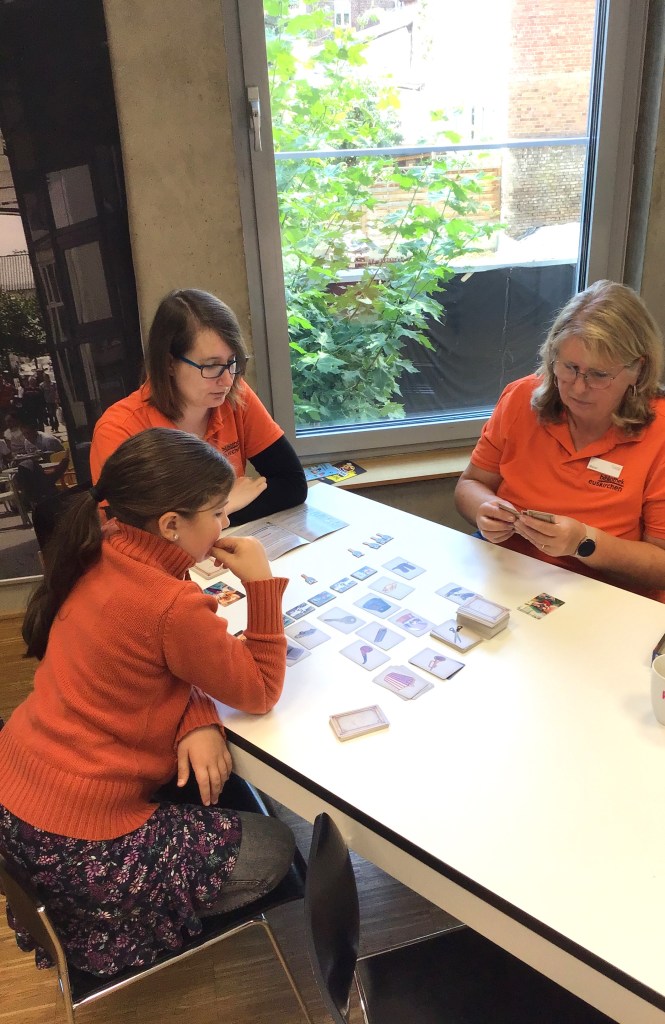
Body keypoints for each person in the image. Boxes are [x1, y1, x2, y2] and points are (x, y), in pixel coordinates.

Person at [0, 427, 294, 977]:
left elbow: (151, 665)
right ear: (171, 525)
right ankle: (116, 917)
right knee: (276, 848)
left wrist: (197, 714)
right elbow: (260, 690)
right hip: (79, 838)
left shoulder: (98, 546)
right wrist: (261, 585)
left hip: (16, 794)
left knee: (221, 797)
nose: (225, 523)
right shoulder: (171, 605)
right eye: (218, 512)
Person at [454, 279, 665, 601]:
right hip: (509, 569)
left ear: (638, 369)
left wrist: (584, 542)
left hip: (604, 592)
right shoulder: (521, 397)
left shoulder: (659, 433)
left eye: (598, 375)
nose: (578, 388)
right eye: (570, 367)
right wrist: (485, 509)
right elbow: (470, 484)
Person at [89, 289, 307, 525]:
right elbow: (132, 533)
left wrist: (199, 519)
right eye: (211, 366)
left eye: (232, 362)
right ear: (169, 363)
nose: (227, 380)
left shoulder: (235, 395)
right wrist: (224, 505)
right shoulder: (119, 429)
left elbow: (292, 484)